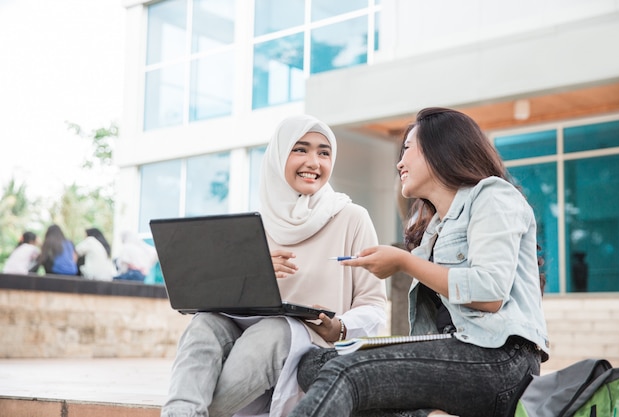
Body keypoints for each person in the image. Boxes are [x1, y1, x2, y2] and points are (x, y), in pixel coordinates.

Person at [288, 107, 550, 417]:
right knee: (314, 365)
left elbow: (489, 294)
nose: (399, 162)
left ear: (441, 148)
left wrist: (403, 261)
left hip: (502, 360)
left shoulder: (492, 196)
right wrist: (340, 330)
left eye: (408, 149)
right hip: (455, 352)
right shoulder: (434, 231)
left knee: (348, 371)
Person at [160, 114, 388, 417]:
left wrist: (341, 327)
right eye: (300, 149)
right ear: (278, 156)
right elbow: (216, 299)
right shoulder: (254, 223)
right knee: (204, 325)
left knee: (274, 329)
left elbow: (374, 305)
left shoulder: (351, 218)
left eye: (324, 152)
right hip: (243, 335)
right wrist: (249, 271)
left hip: (305, 341)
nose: (313, 162)